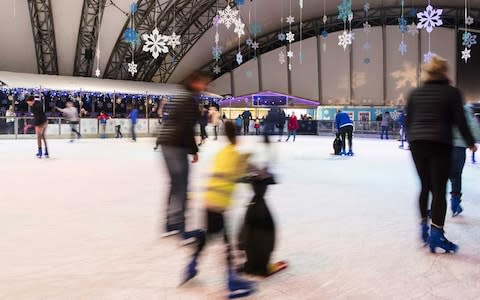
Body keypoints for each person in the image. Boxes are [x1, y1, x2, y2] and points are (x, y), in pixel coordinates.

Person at [406, 55, 477, 253]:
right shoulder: (452, 92)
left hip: (418, 144)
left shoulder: (415, 93)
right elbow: (460, 121)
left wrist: (413, 139)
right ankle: (436, 234)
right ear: (445, 72)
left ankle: (423, 228)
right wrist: (470, 142)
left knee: (425, 187)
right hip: (440, 143)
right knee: (438, 190)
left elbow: (408, 121)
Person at [181, 121, 255, 298]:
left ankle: (191, 265)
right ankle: (231, 281)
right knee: (227, 243)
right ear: (237, 136)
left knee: (208, 236)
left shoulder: (221, 153)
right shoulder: (236, 154)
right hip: (220, 204)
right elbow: (242, 175)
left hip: (208, 201)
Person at [157, 71, 205, 237]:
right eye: (202, 83)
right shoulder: (189, 99)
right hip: (176, 145)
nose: (204, 86)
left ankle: (170, 224)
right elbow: (187, 128)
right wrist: (194, 150)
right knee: (182, 186)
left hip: (166, 143)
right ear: (194, 82)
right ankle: (182, 230)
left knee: (175, 184)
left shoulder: (179, 96)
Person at [448, 104, 480, 217]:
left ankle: (434, 207)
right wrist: (472, 141)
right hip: (459, 146)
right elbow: (473, 127)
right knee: (456, 175)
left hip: (442, 145)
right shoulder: (465, 109)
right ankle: (455, 202)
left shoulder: (441, 105)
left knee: (439, 176)